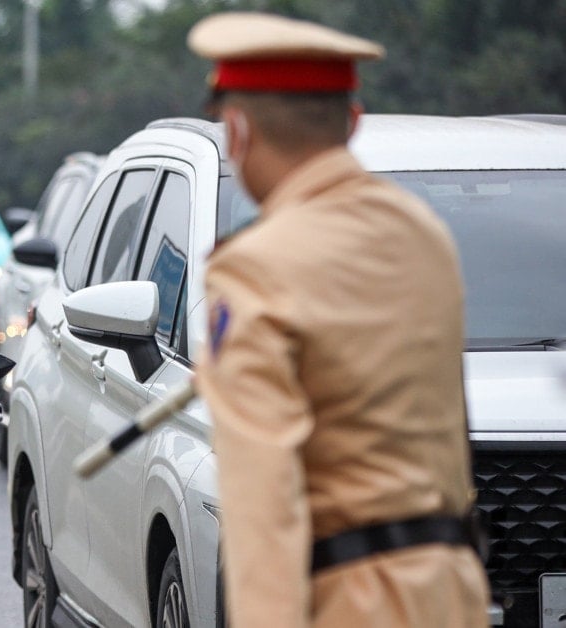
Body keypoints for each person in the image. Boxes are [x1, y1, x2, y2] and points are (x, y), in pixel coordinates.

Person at [186, 12, 490, 628]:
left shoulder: (253, 267)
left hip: (346, 600)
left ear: (238, 129)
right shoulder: (424, 234)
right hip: (451, 589)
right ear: (353, 122)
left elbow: (262, 494)